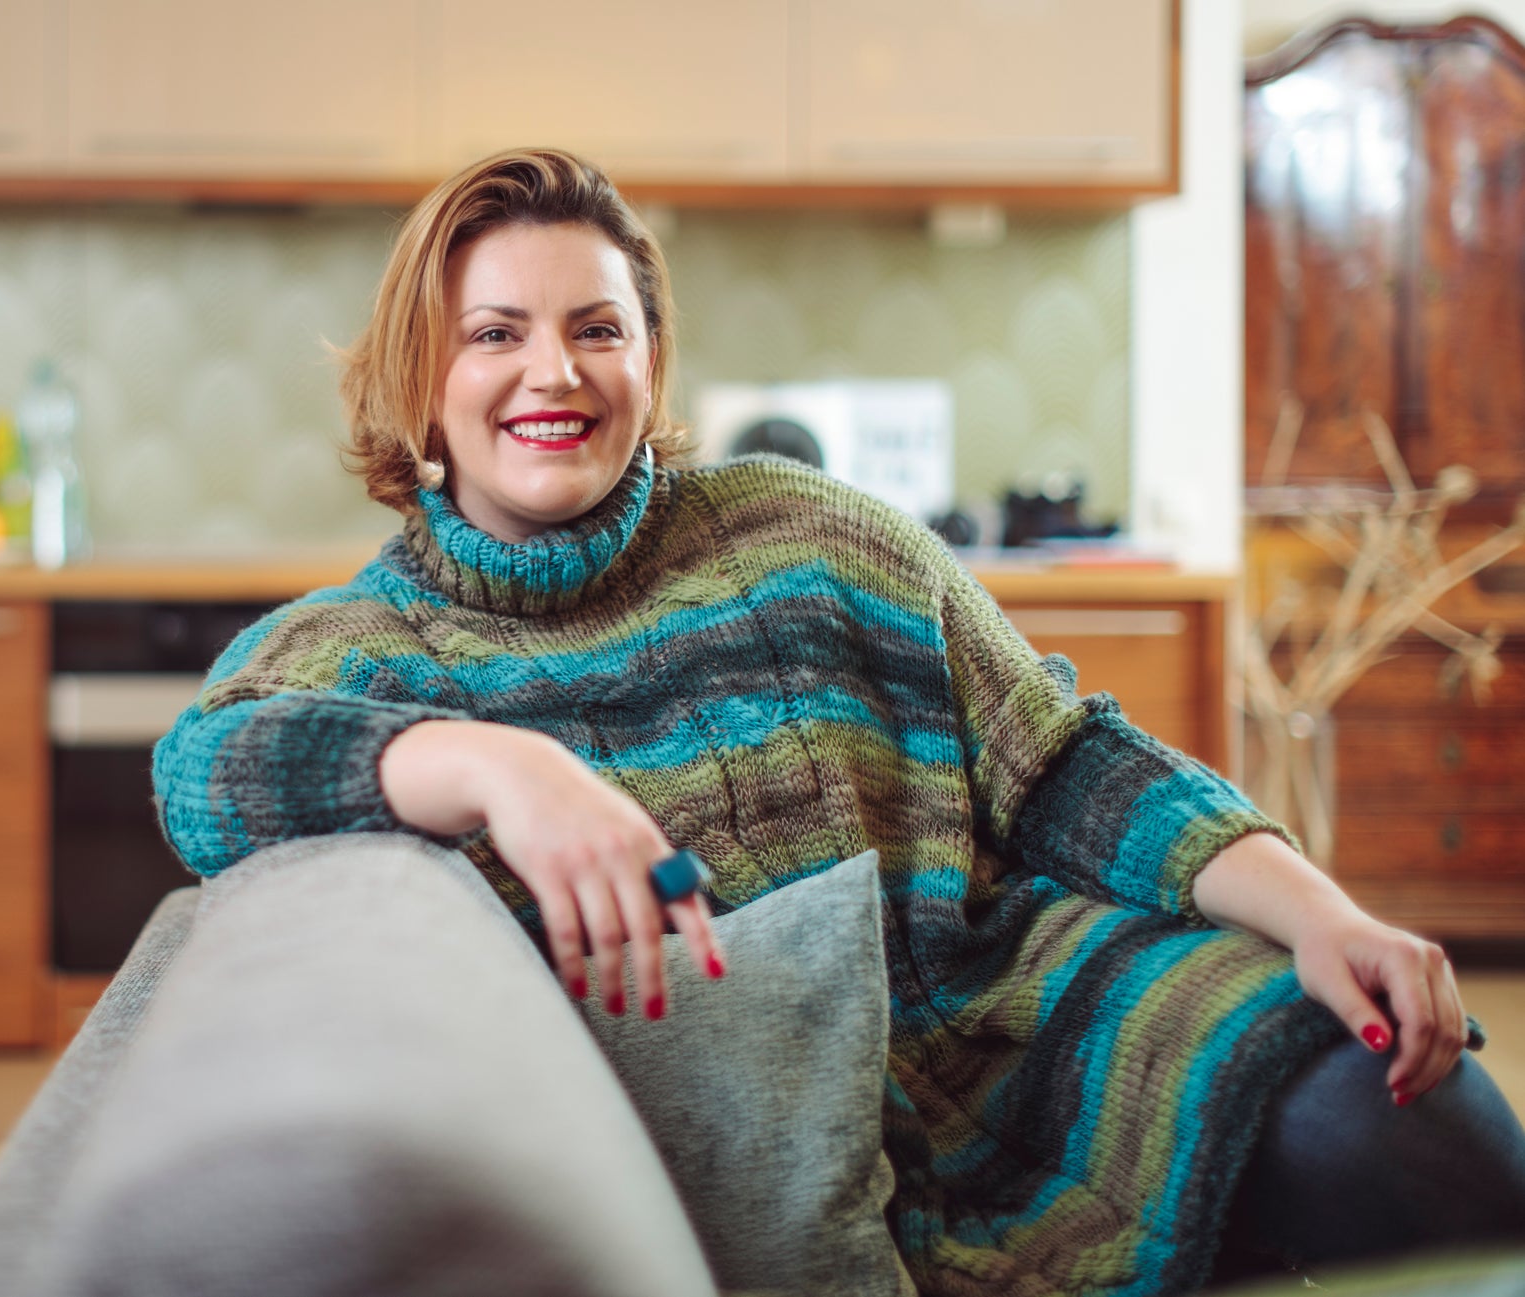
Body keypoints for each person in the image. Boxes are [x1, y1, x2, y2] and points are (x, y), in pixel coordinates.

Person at [152, 148, 1525, 1294]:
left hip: (1016, 1016)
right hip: (760, 1137)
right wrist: (488, 764)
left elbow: (1059, 759)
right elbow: (203, 769)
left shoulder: (808, 531)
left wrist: (1321, 914)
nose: (552, 373)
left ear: (649, 358)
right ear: (419, 381)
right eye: (494, 333)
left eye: (596, 327)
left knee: (1410, 1100)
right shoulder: (368, 643)